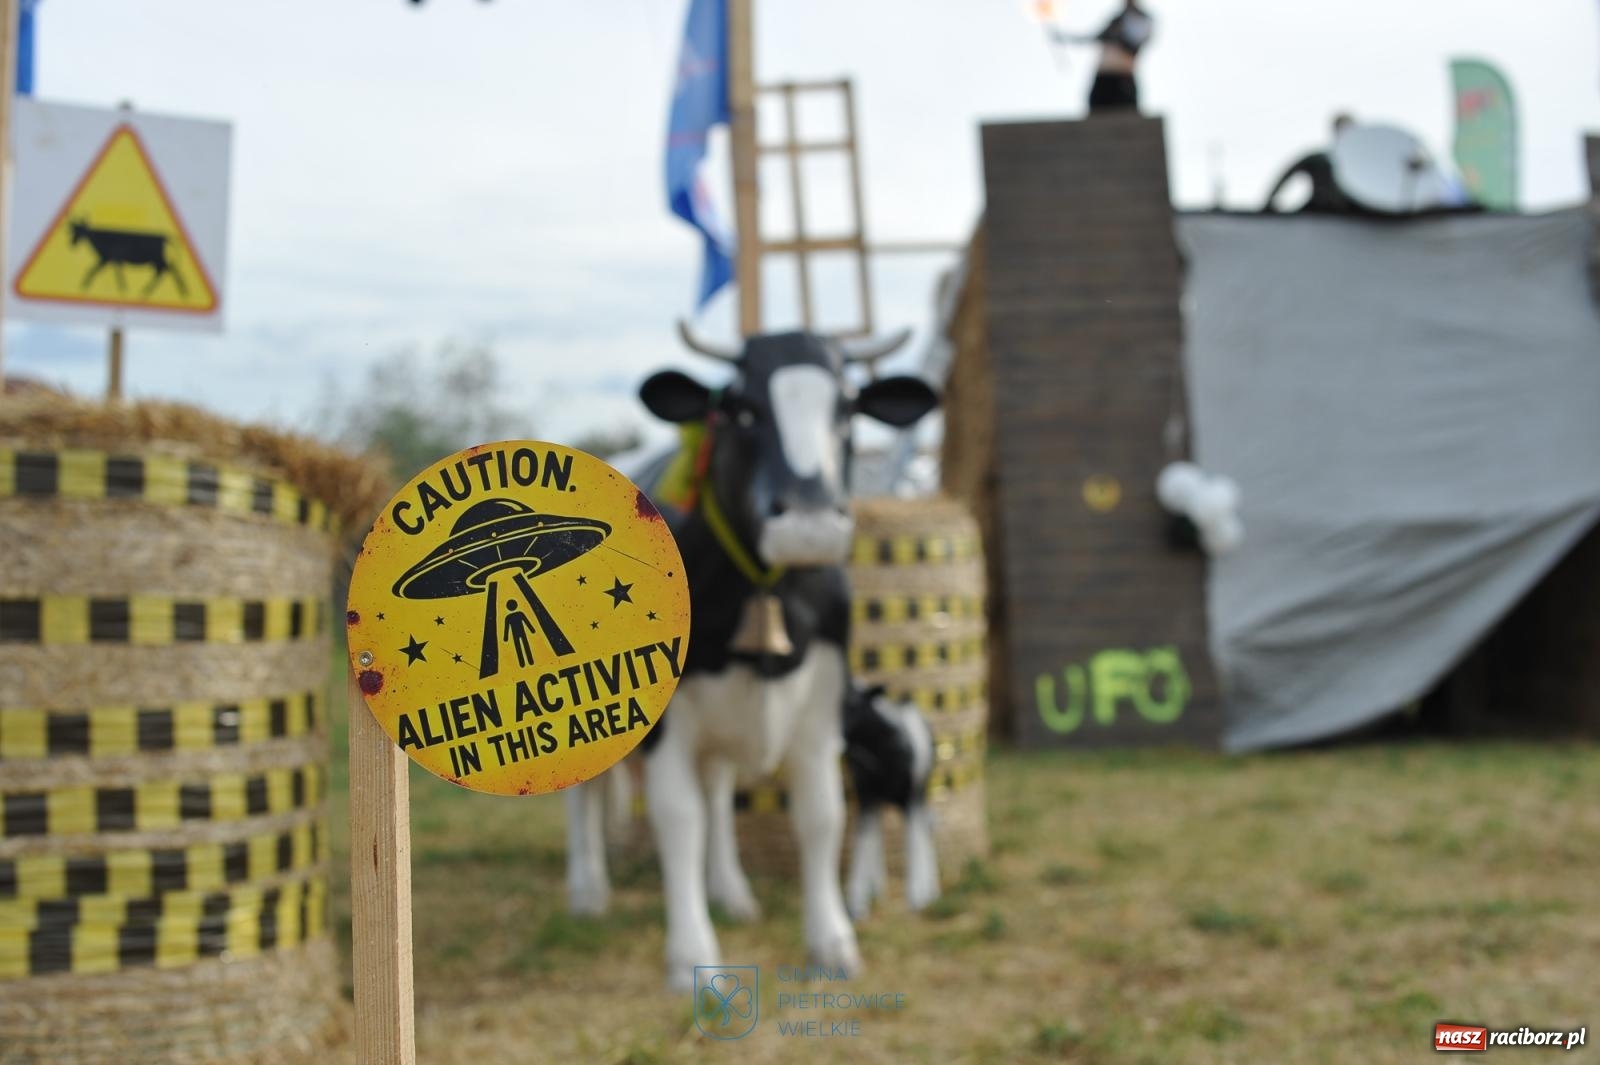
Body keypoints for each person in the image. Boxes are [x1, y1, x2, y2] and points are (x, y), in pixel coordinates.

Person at [1055, 1, 1155, 113]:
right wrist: (1065, 38)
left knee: (1126, 115)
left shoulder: (1144, 20)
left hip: (1123, 77)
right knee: (1097, 113)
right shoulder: (1116, 20)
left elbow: (1134, 47)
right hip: (1103, 77)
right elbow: (1095, 37)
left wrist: (1118, 35)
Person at [1264, 114, 1358, 214]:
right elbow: (1287, 174)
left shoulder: (1360, 166)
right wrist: (1270, 203)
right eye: (1342, 129)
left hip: (1350, 211)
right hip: (1317, 208)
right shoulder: (1318, 159)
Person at [502, 598, 536, 668]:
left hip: (518, 634)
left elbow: (526, 622)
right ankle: (527, 661)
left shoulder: (510, 617)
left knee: (521, 647)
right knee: (523, 646)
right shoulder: (517, 615)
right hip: (520, 633)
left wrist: (506, 637)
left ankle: (525, 662)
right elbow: (507, 628)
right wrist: (532, 630)